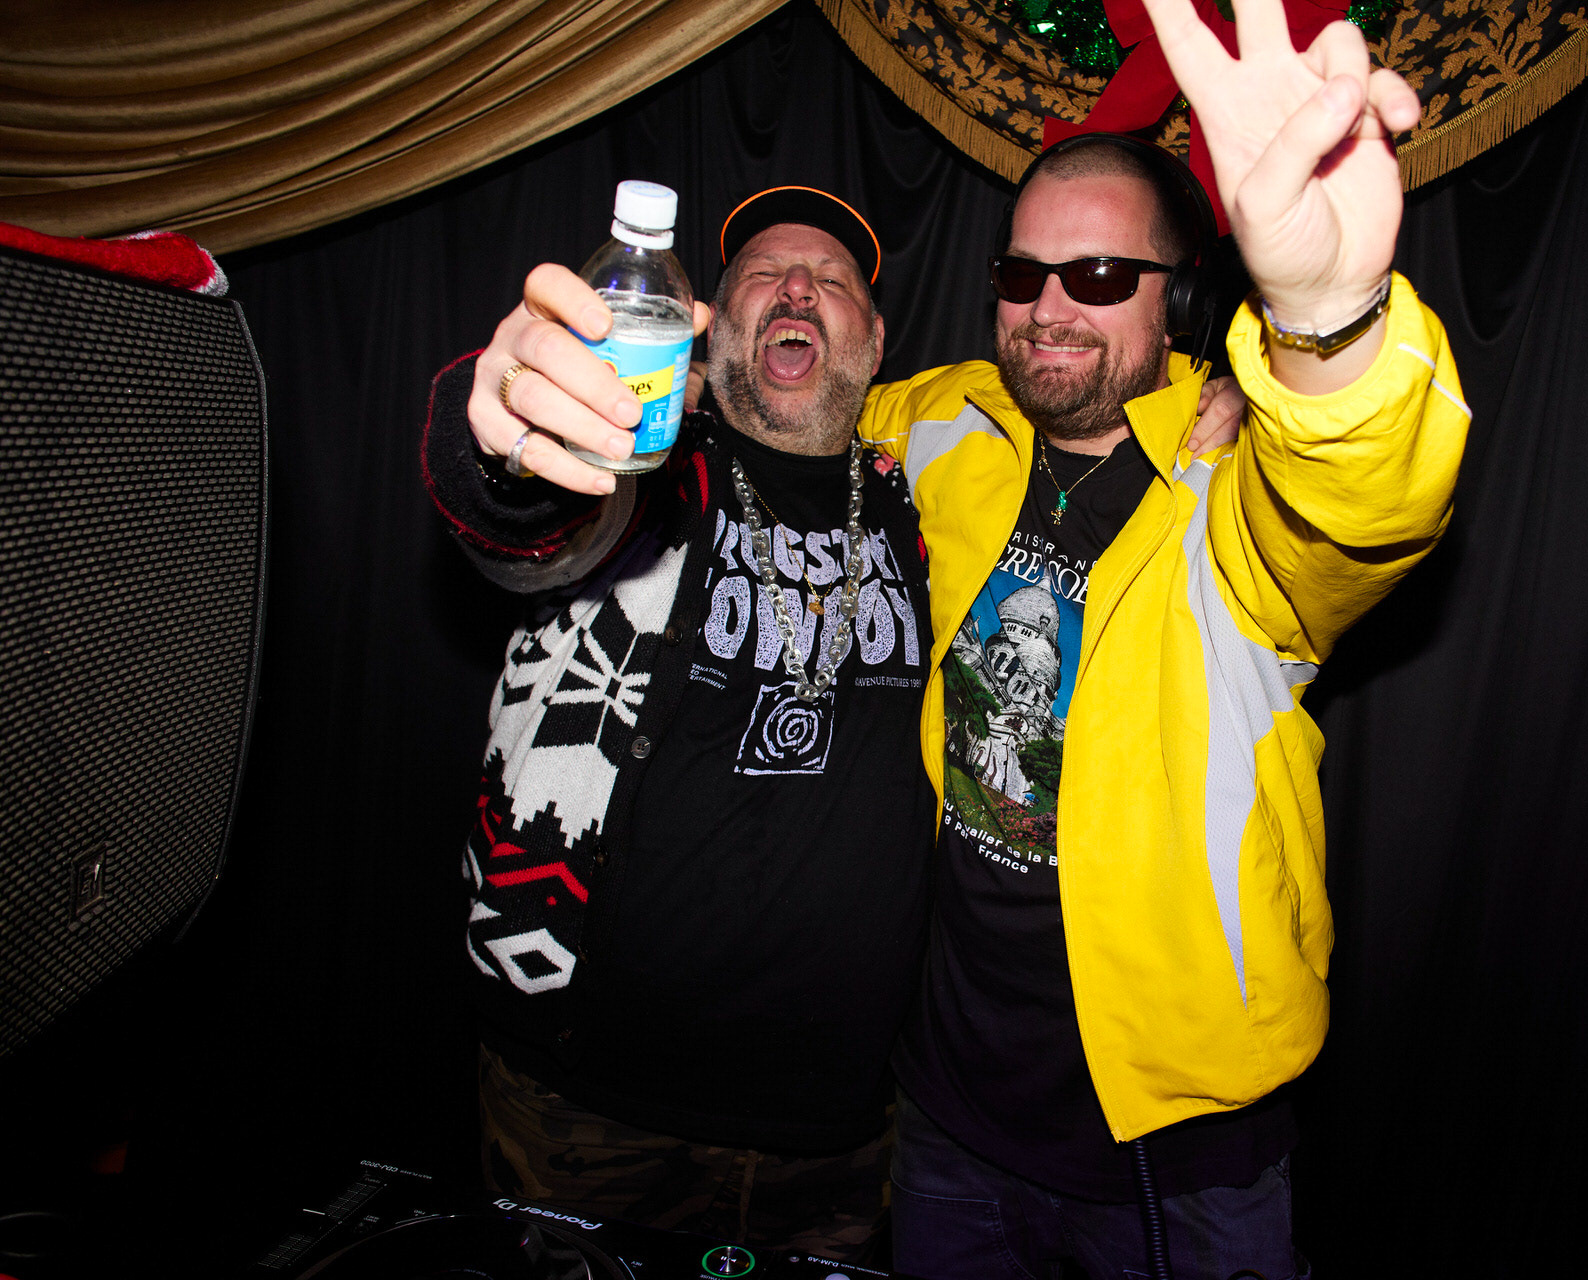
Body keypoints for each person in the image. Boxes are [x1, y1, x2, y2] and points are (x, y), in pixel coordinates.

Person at [461, 4, 1467, 1273]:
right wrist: (528, 420)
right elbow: (592, 474)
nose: (1049, 308)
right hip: (935, 1120)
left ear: (1177, 302)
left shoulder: (1240, 490)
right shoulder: (939, 437)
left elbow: (1369, 495)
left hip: (1167, 1148)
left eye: (1097, 278)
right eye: (1021, 274)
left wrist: (1324, 317)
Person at [423, 187, 933, 1261]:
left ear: (876, 340)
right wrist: (508, 430)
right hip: (587, 1103)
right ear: (710, 327)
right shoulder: (643, 467)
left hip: (836, 1122)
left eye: (831, 279)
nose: (797, 290)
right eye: (764, 274)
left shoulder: (921, 500)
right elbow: (520, 510)